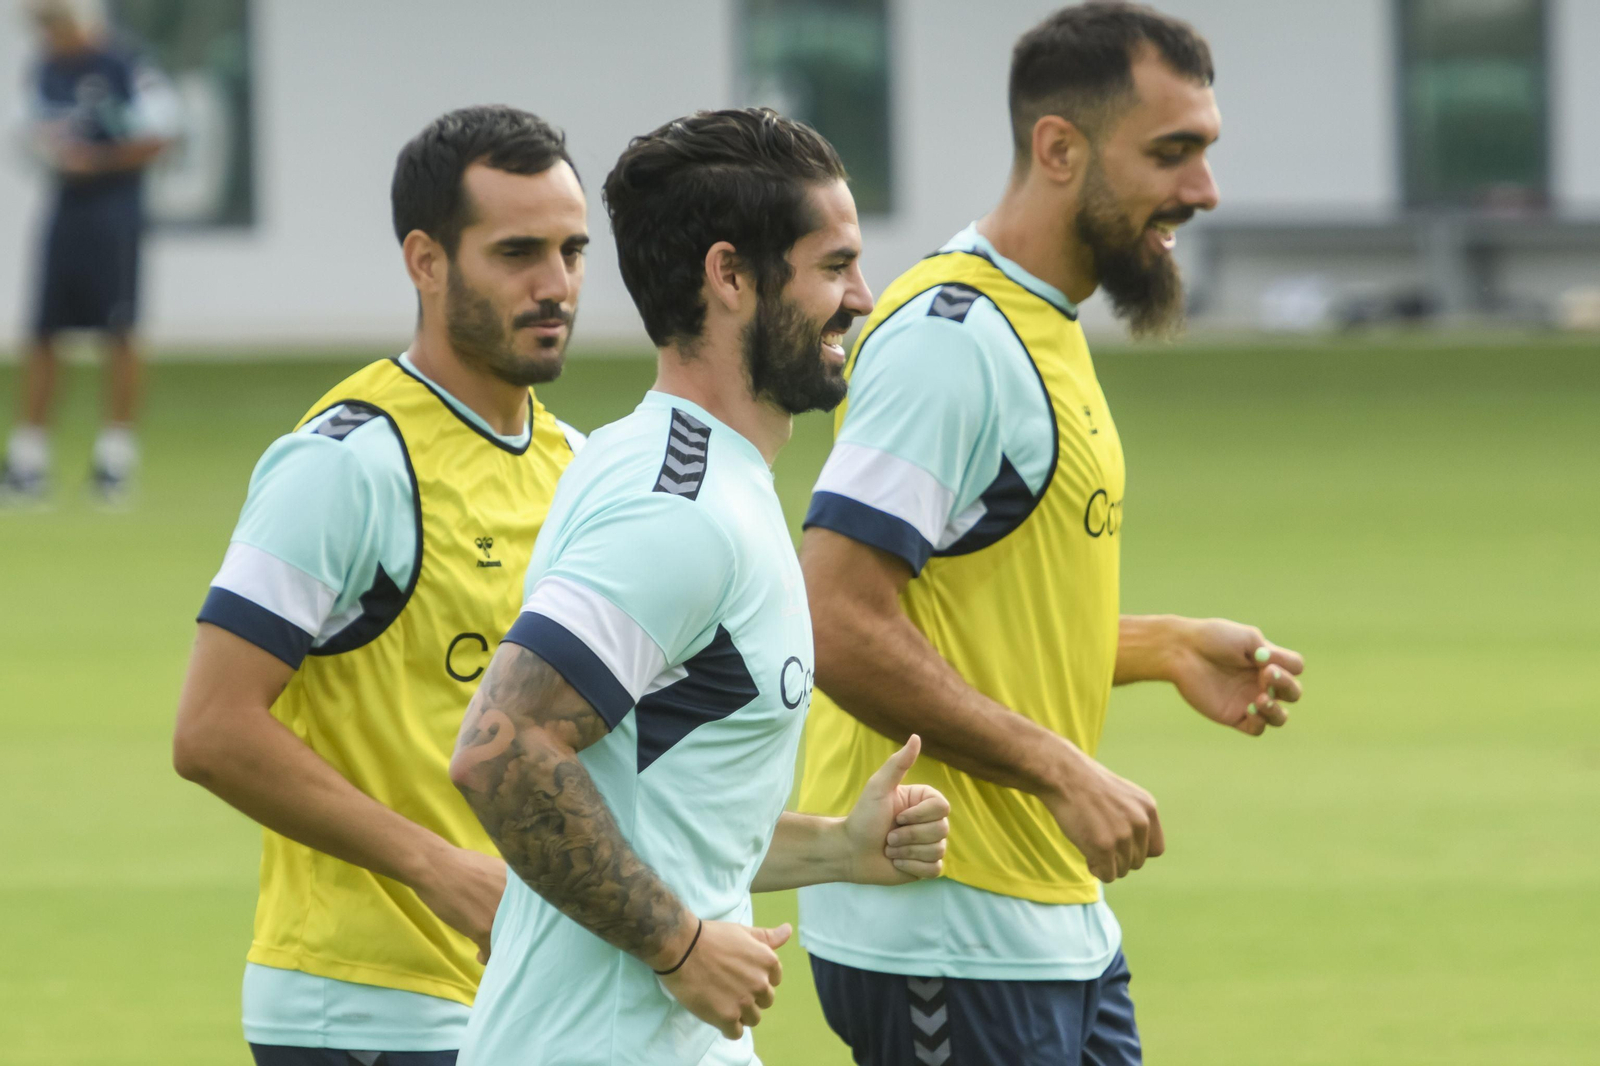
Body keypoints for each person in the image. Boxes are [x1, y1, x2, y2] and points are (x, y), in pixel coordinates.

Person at [794, 4, 1307, 1064]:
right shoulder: (952, 342)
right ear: (1058, 147)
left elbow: (971, 614)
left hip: (1047, 920)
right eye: (1172, 153)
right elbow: (835, 618)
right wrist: (1063, 772)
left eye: (1205, 152)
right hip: (941, 919)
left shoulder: (1043, 325)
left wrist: (1159, 646)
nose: (1203, 192)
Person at [448, 108, 951, 1066]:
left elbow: (664, 827)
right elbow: (501, 748)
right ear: (730, 276)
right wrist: (677, 947)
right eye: (834, 266)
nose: (862, 296)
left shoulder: (690, 475)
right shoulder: (674, 508)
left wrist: (842, 850)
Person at [172, 105, 590, 1066]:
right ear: (426, 260)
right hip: (368, 1011)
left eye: (571, 250)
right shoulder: (348, 463)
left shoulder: (580, 466)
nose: (555, 284)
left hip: (532, 1003)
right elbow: (212, 728)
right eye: (518, 251)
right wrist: (434, 867)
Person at [3, 0, 178, 504]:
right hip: (65, 209)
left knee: (119, 330)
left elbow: (161, 132)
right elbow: (28, 130)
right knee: (43, 331)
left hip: (115, 212)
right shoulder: (44, 70)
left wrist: (100, 161)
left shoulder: (123, 65)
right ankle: (28, 458)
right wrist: (54, 153)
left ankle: (115, 459)